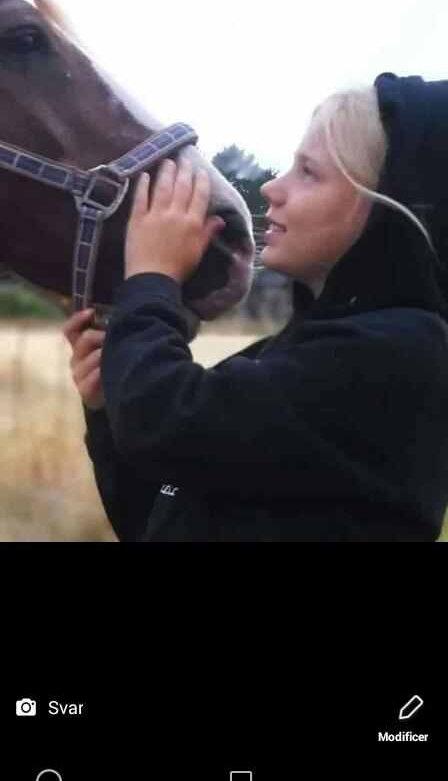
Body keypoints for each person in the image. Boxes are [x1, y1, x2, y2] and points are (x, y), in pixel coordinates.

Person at [65, 73, 448, 542]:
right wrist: (108, 410)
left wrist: (152, 276)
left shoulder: (401, 355)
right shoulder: (289, 352)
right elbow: (156, 520)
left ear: (390, 207)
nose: (272, 189)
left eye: (309, 173)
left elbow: (164, 423)